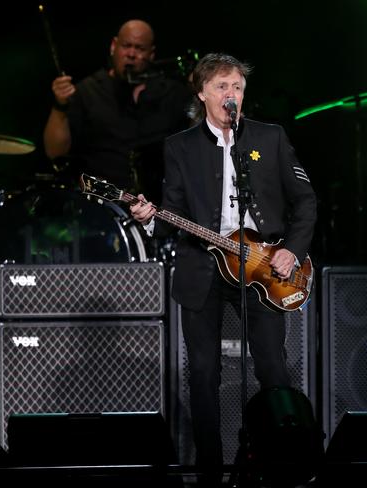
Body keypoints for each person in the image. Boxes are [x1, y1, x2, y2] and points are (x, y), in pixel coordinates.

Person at [130, 53, 318, 486]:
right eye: (221, 87)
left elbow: (306, 200)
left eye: (235, 86)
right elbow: (172, 210)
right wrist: (150, 215)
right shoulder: (180, 146)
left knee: (271, 364)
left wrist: (292, 249)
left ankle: (281, 469)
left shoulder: (270, 138)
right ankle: (211, 474)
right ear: (202, 94)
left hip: (264, 266)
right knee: (204, 373)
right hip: (203, 267)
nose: (230, 94)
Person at [43, 19, 193, 204]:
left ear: (151, 54)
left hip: (159, 207)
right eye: (126, 46)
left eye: (139, 48)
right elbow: (55, 152)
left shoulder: (171, 93)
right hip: (102, 207)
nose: (131, 54)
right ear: (114, 46)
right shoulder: (88, 92)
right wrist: (60, 106)